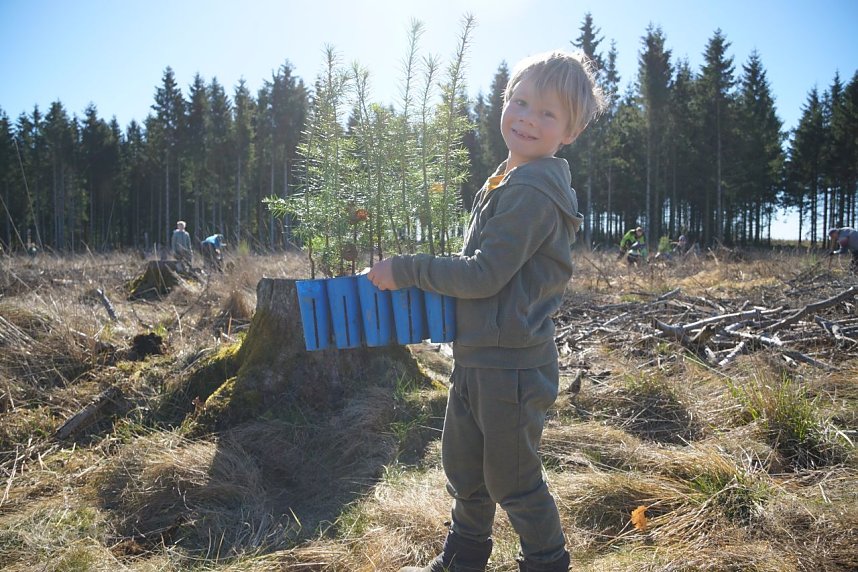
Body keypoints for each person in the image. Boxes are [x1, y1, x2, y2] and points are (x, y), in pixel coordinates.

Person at [368, 49, 605, 572]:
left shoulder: (535, 190)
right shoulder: (506, 178)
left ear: (570, 131)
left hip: (514, 365)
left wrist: (408, 269)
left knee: (513, 478)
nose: (527, 118)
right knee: (466, 469)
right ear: (504, 102)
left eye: (547, 113)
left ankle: (547, 563)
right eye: (520, 102)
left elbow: (484, 274)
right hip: (479, 356)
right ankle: (464, 559)